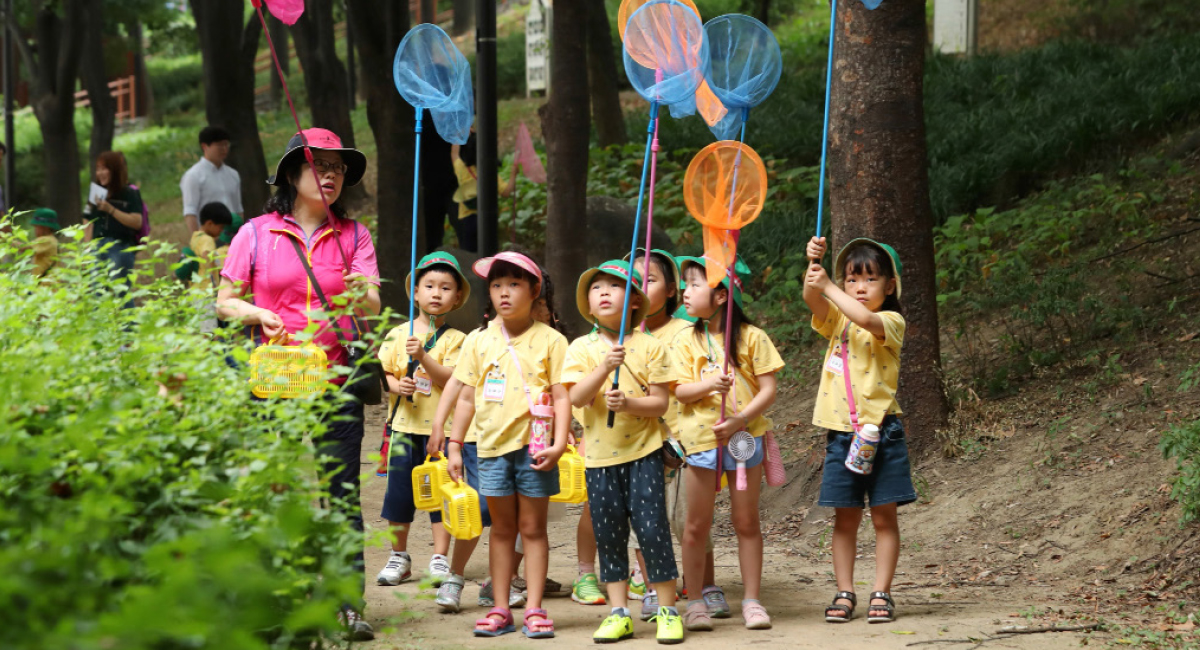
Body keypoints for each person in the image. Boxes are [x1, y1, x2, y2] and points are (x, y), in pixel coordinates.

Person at [215, 128, 379, 641]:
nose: (330, 176)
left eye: (338, 169)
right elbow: (224, 300)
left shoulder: (355, 236)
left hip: (335, 380)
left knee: (342, 495)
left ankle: (347, 605)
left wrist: (360, 293)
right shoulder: (256, 233)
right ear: (292, 174)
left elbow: (373, 304)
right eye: (319, 166)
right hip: (275, 380)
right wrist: (257, 312)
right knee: (275, 490)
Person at [443, 251, 569, 638]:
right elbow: (466, 397)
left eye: (514, 284)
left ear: (534, 291)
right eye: (497, 285)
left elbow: (562, 396)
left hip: (535, 451)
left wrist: (561, 443)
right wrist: (454, 444)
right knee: (500, 529)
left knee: (531, 529)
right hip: (491, 450)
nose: (504, 293)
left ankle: (533, 608)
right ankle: (500, 608)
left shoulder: (552, 340)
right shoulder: (478, 342)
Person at [563, 260, 684, 644]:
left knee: (653, 531)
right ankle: (619, 612)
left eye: (614, 287)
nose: (602, 292)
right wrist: (604, 368)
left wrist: (629, 404)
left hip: (644, 454)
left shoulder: (652, 346)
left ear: (634, 301)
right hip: (599, 459)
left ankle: (666, 609)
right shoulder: (581, 348)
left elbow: (661, 404)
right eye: (596, 287)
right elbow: (577, 397)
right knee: (609, 533)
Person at [803, 236, 913, 625]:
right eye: (851, 280)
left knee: (884, 518)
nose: (859, 287)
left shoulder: (891, 322)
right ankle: (845, 591)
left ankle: (881, 592)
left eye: (869, 279)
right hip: (841, 434)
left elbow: (866, 319)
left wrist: (830, 287)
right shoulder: (838, 319)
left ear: (890, 286)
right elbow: (814, 300)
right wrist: (813, 268)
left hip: (883, 433)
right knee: (844, 519)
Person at [673, 256, 783, 632]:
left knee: (745, 520)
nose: (685, 292)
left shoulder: (752, 337)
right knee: (696, 525)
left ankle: (752, 600)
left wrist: (740, 419)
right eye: (684, 284)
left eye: (694, 285)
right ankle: (695, 601)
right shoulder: (685, 339)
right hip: (700, 441)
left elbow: (768, 389)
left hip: (742, 438)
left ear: (721, 295)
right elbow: (680, 391)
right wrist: (708, 386)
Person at [627, 249, 727, 621]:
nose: (639, 287)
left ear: (672, 290)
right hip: (637, 441)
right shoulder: (621, 337)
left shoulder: (688, 331)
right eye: (632, 282)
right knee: (644, 518)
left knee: (690, 518)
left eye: (649, 280)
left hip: (683, 440)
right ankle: (654, 586)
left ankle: (705, 584)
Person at [375, 252, 469, 588]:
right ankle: (398, 556)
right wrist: (395, 384)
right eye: (429, 286)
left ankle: (439, 558)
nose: (436, 293)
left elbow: (452, 381)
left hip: (438, 431)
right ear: (415, 292)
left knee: (439, 495)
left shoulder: (458, 340)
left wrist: (423, 357)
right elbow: (384, 372)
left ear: (456, 298)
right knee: (398, 497)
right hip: (403, 427)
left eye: (445, 288)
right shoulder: (398, 333)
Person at [84, 151, 145, 309]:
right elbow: (87, 219)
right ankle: (102, 331)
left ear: (115, 170)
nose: (100, 173)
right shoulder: (96, 191)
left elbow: (137, 222)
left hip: (120, 247)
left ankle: (128, 331)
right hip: (97, 247)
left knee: (121, 292)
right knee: (97, 293)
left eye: (105, 169)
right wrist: (87, 247)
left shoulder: (130, 193)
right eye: (98, 169)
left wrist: (111, 209)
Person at [450, 130, 515, 252]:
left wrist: (461, 131)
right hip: (487, 220)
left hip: (467, 219)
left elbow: (454, 154)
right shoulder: (489, 173)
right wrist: (513, 174)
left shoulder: (462, 169)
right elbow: (506, 192)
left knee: (468, 254)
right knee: (488, 255)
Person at [181, 125, 243, 233]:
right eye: (219, 146)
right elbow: (190, 211)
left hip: (232, 234)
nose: (224, 149)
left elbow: (238, 209)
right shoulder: (193, 176)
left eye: (226, 145)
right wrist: (198, 240)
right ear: (205, 146)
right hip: (209, 236)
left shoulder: (233, 174)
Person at [30, 208, 60, 277]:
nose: (35, 230)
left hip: (46, 285)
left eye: (36, 227)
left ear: (45, 227)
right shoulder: (52, 239)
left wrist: (6, 239)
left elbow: (22, 248)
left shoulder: (46, 240)